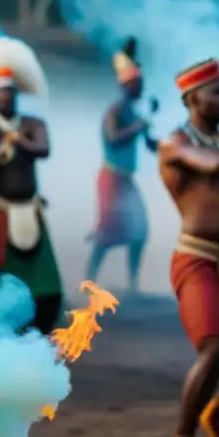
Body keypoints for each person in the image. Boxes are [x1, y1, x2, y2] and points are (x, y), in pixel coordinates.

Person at [157, 58, 219, 437]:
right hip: (198, 258)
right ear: (194, 99)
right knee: (218, 346)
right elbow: (213, 168)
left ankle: (215, 410)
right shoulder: (176, 145)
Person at [0, 37, 63, 335]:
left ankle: (40, 324)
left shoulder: (32, 125)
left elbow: (44, 149)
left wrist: (19, 140)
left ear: (17, 95)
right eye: (1, 94)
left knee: (45, 283)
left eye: (10, 92)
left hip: (29, 209)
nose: (6, 98)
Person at [86, 37, 158, 294]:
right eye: (137, 84)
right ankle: (89, 280)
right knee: (108, 233)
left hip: (125, 179)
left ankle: (132, 284)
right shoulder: (115, 111)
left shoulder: (133, 112)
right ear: (127, 86)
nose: (141, 88)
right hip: (112, 178)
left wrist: (167, 144)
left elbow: (150, 143)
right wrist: (139, 126)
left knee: (139, 229)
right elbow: (114, 138)